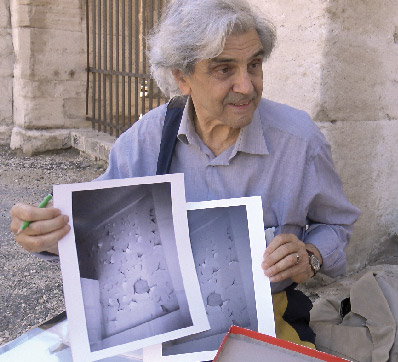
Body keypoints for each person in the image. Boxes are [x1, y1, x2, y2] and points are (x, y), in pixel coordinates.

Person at [10, 0, 359, 349]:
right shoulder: (146, 140)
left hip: (265, 318)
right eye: (224, 70)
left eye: (253, 65)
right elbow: (96, 230)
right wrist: (51, 234)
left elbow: (336, 224)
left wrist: (310, 257)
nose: (246, 86)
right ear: (182, 78)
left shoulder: (299, 142)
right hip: (160, 323)